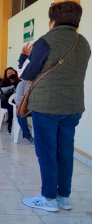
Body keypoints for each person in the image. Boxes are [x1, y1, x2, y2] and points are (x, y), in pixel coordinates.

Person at [20, 1, 90, 212]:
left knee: (47, 152)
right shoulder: (84, 42)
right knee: (65, 151)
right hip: (73, 105)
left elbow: (26, 73)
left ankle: (48, 198)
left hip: (47, 106)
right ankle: (63, 197)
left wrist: (24, 55)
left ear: (53, 21)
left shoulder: (46, 41)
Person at [14, 79, 34, 144]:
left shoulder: (39, 82)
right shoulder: (22, 84)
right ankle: (27, 135)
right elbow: (18, 98)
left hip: (36, 107)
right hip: (25, 107)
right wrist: (29, 98)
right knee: (20, 115)